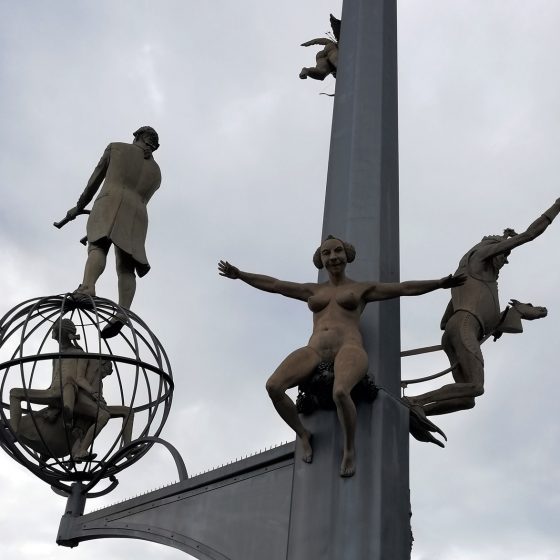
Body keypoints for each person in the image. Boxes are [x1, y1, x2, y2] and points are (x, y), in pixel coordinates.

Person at [219, 236, 464, 477]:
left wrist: (440, 283)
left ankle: (349, 449)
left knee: (340, 392)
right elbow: (275, 285)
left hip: (349, 347)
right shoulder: (312, 290)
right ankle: (303, 434)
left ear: (346, 256)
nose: (333, 257)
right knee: (273, 386)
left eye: (337, 251)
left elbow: (405, 288)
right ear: (320, 260)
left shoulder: (360, 289)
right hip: (314, 350)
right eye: (327, 253)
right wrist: (240, 275)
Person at [407, 198, 560, 416]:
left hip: (456, 330)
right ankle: (414, 401)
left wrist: (493, 323)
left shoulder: (467, 280)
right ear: (493, 250)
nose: (505, 261)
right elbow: (529, 234)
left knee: (467, 399)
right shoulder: (479, 259)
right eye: (505, 254)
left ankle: (411, 414)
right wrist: (556, 207)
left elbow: (444, 322)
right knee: (477, 387)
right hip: (465, 326)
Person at [64, 126, 161, 338]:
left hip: (109, 202)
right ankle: (123, 312)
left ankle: (87, 287)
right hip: (138, 214)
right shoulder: (157, 173)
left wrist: (78, 207)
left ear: (136, 136)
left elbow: (93, 182)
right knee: (126, 265)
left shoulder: (116, 148)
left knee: (98, 246)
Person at [299, 14, 340, 81]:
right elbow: (322, 40)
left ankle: (307, 71)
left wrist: (309, 43)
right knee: (338, 62)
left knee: (321, 74)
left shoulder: (330, 68)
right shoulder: (331, 43)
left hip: (320, 56)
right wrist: (309, 43)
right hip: (330, 51)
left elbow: (319, 40)